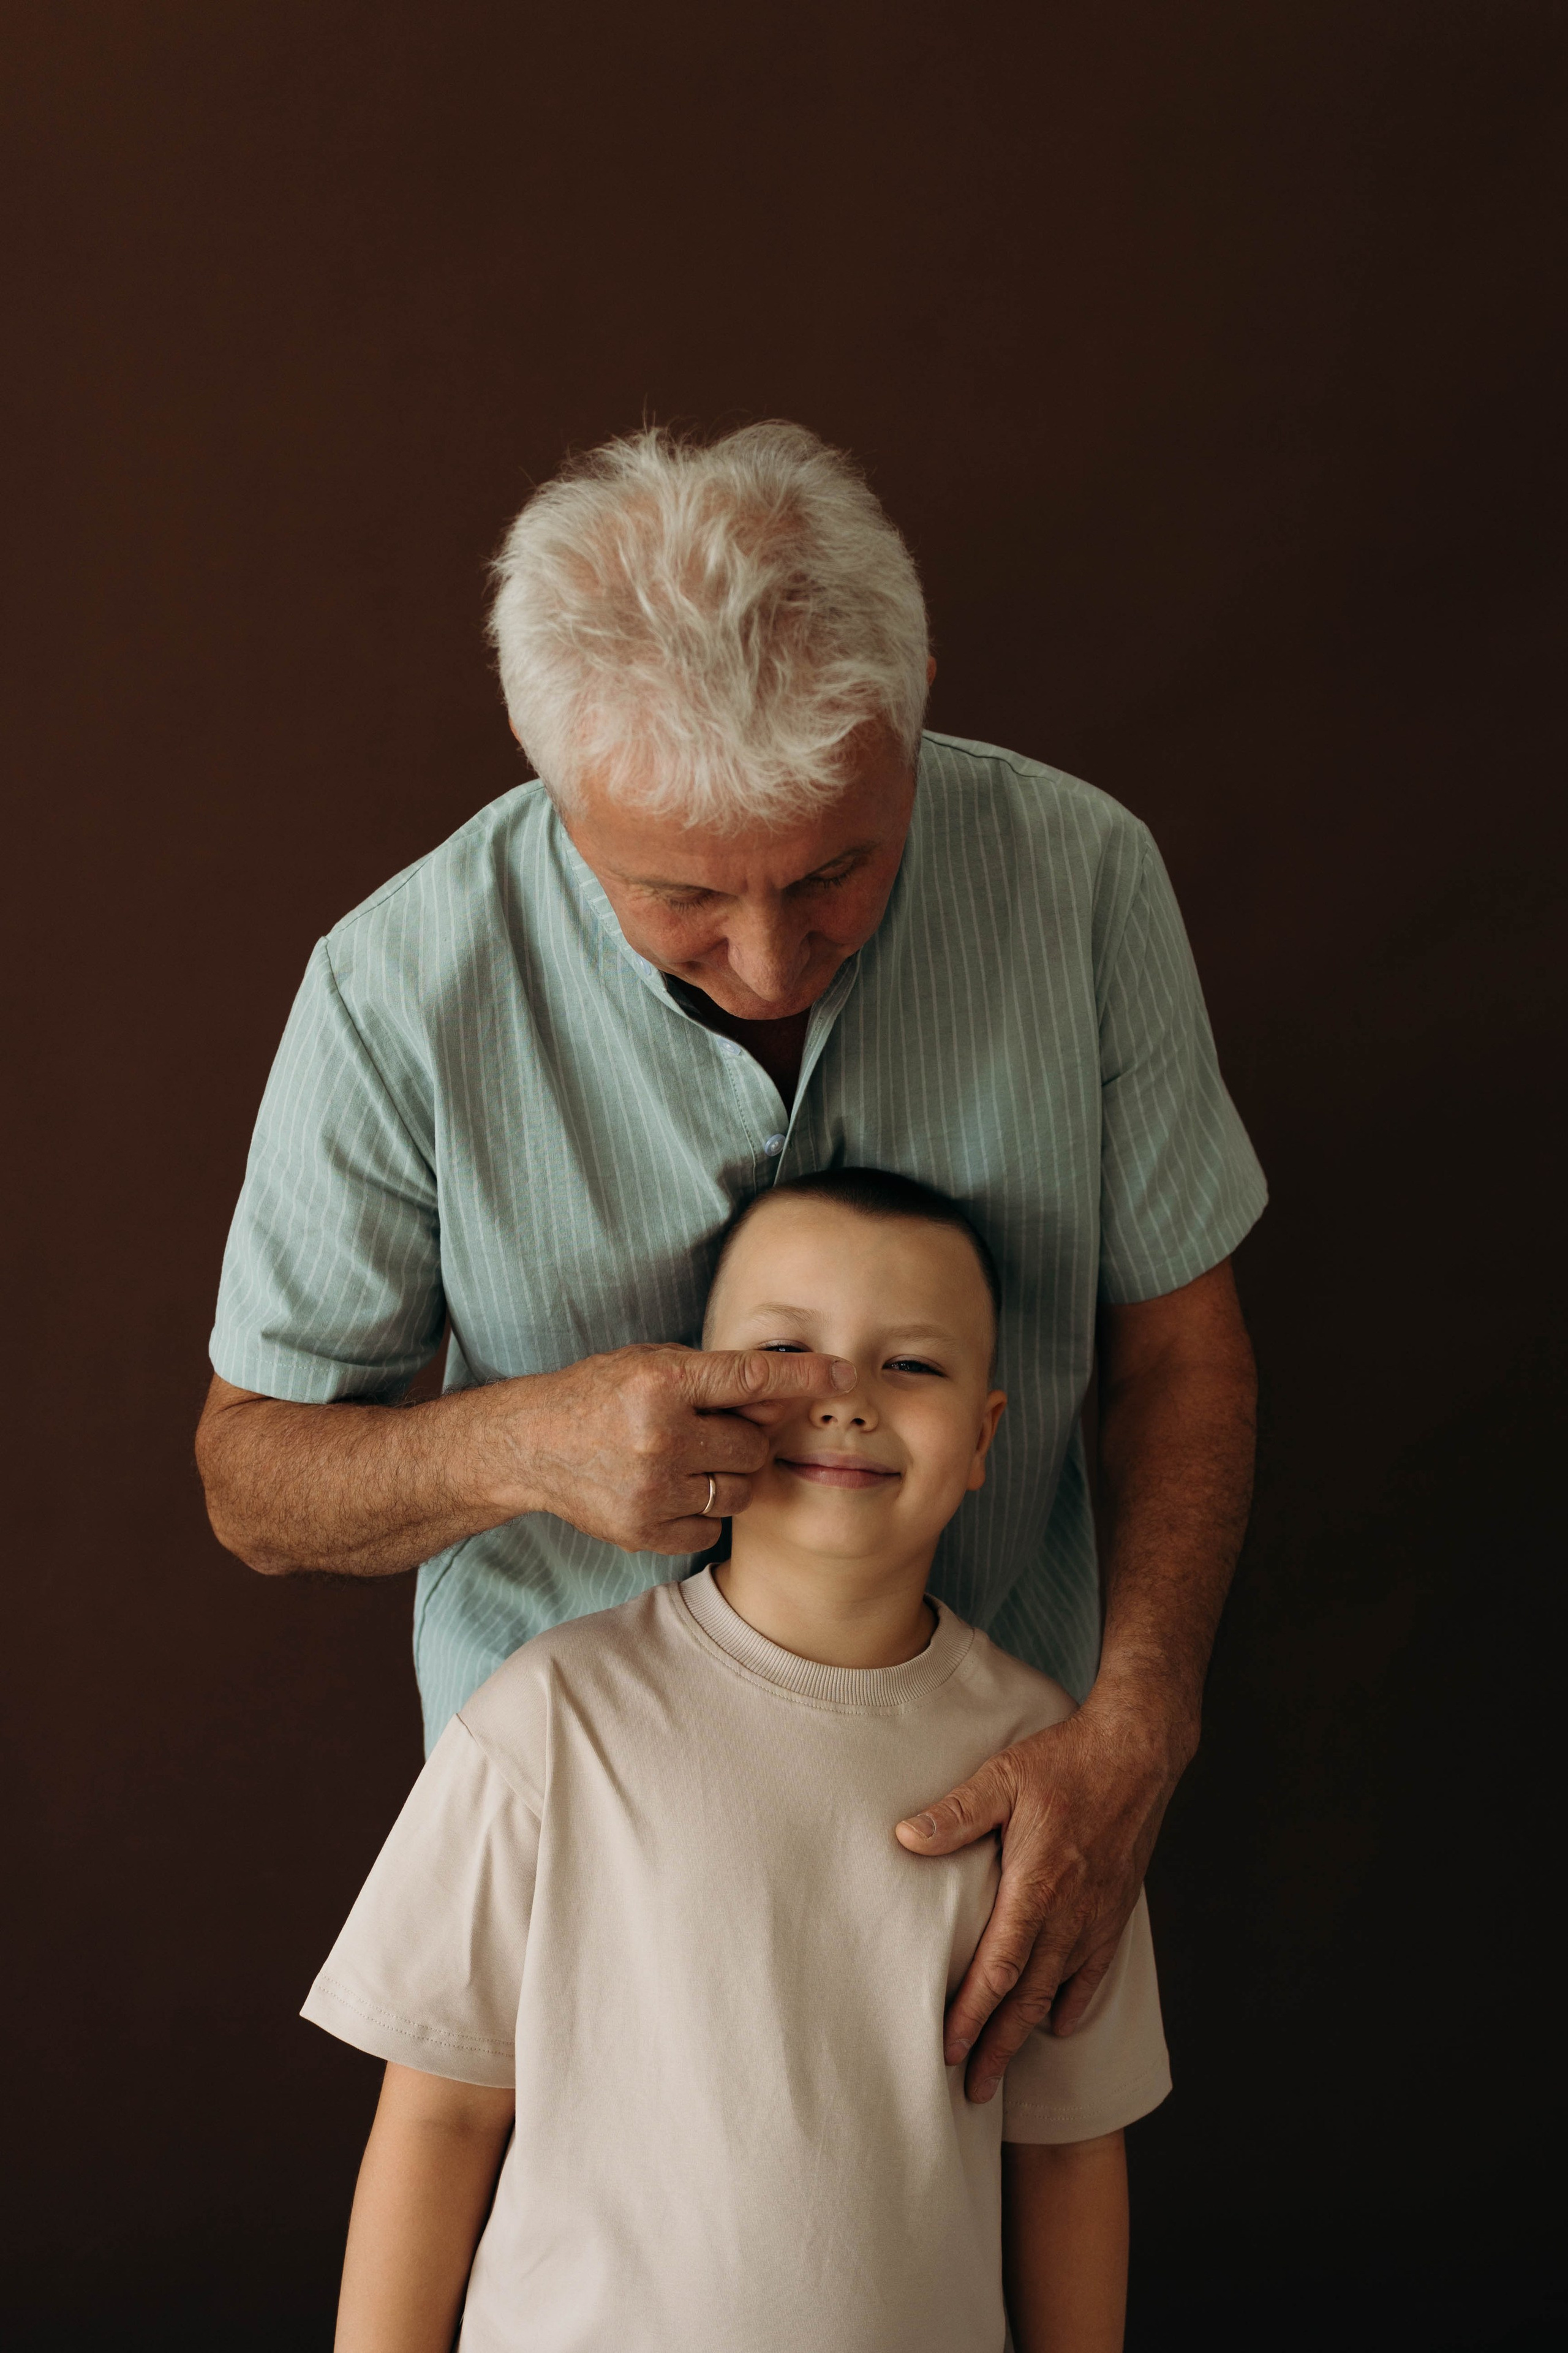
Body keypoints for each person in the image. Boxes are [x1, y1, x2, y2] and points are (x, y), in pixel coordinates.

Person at [197, 419, 1263, 2104]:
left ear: (911, 723)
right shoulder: (395, 987)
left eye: (841, 868)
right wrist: (516, 1444)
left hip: (1000, 1846)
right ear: (561, 798)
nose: (769, 958)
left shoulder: (1083, 881)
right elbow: (249, 1479)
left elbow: (1182, 1351)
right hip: (590, 1898)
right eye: (681, 894)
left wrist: (1142, 1723)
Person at [307, 1171, 1171, 2353]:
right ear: (699, 1397)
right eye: (786, 1352)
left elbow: (1070, 2157)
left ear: (983, 1437)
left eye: (912, 1364)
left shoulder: (1055, 1775)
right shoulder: (555, 1717)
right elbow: (441, 2120)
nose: (847, 1399)